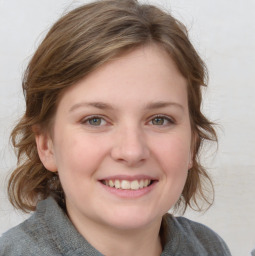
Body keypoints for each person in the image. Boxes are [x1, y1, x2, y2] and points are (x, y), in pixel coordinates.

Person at [0, 0, 231, 255]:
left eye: (159, 120)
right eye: (95, 120)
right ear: (46, 145)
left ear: (192, 143)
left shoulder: (209, 247)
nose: (132, 151)